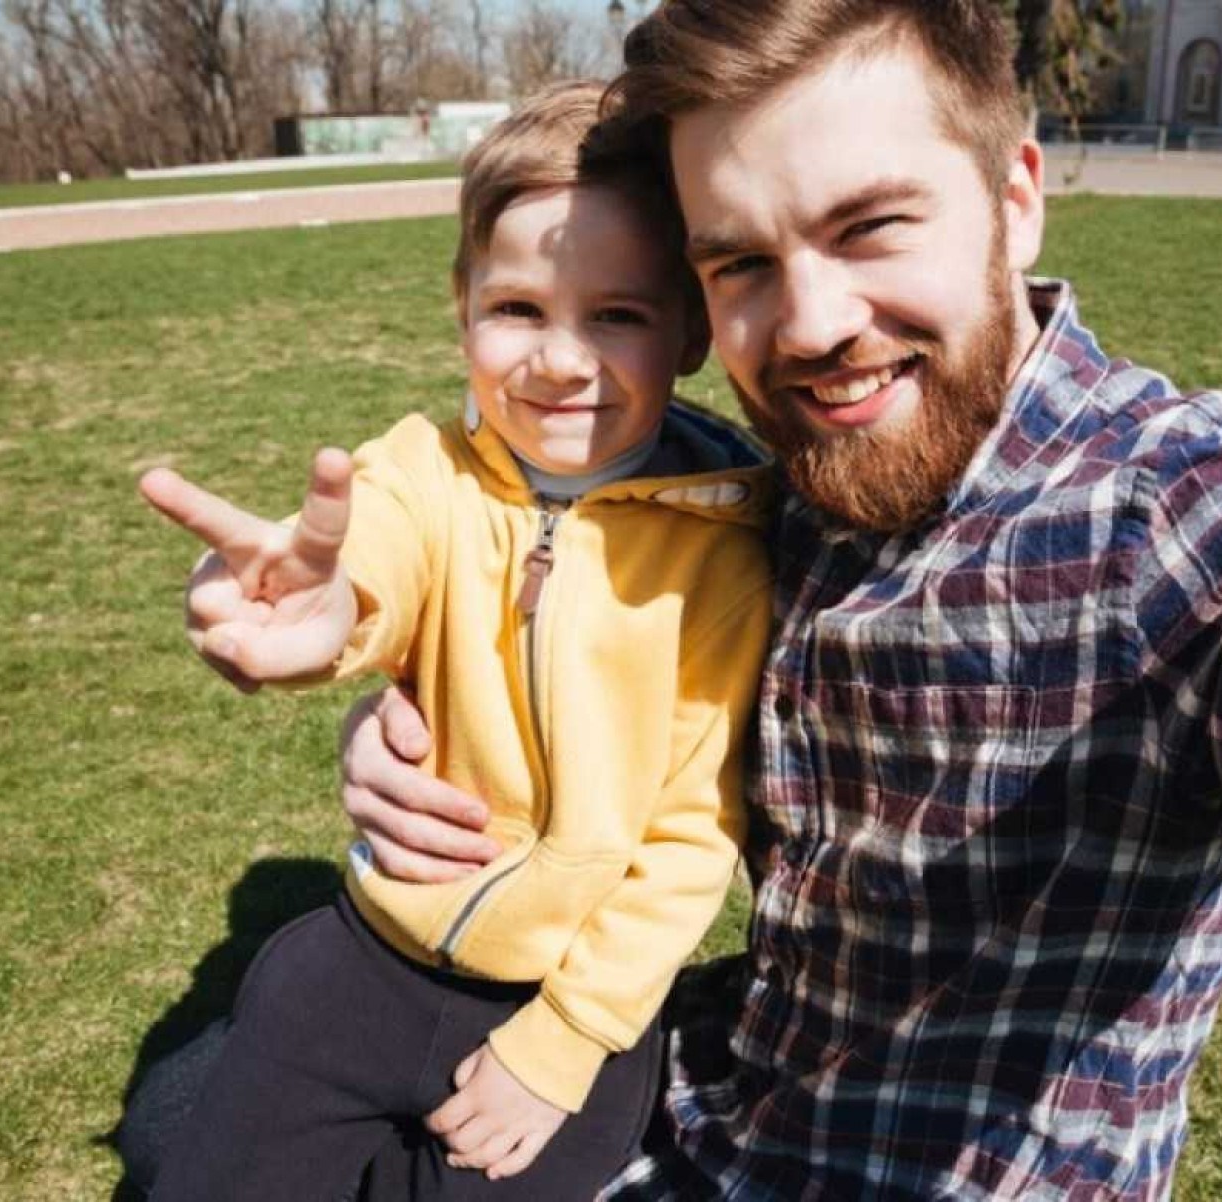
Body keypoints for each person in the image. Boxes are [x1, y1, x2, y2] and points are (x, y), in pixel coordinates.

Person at [126, 1, 1222, 1197]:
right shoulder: (762, 473)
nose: (813, 327)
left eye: (869, 227)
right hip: (695, 1105)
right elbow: (523, 544)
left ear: (1018, 197)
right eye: (737, 262)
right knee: (206, 1124)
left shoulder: (1184, 515)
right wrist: (393, 678)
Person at [132, 80, 774, 1200]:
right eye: (519, 308)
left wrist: (570, 1034)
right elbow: (368, 553)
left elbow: (690, 841)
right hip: (362, 961)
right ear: (461, 305)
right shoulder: (423, 467)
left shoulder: (720, 559)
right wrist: (324, 609)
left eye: (616, 314)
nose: (561, 360)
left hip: (566, 1009)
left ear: (686, 334)